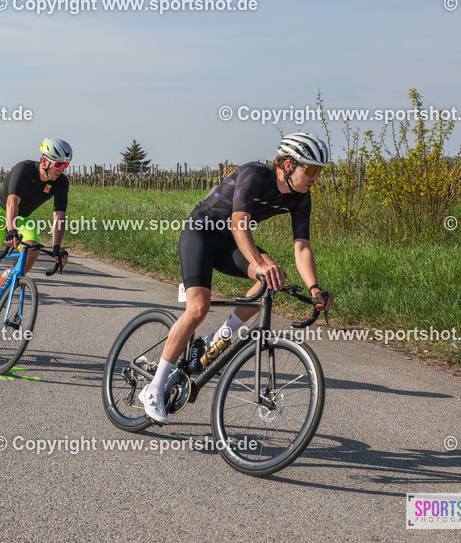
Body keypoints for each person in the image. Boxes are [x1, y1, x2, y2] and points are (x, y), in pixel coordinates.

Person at [138, 133, 336, 424]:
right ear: (289, 164)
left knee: (271, 276)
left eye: (319, 171)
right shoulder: (254, 172)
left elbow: (302, 246)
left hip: (231, 245)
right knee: (198, 308)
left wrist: (315, 288)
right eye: (312, 170)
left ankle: (218, 338)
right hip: (202, 234)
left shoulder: (301, 197)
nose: (315, 178)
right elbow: (238, 222)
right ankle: (153, 388)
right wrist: (258, 262)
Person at [0, 138, 72, 341]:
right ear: (45, 160)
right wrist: (11, 230)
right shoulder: (24, 169)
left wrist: (57, 247)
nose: (62, 169)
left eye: (66, 165)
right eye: (59, 164)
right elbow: (11, 202)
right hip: (0, 213)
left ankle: (6, 278)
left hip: (24, 218)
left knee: (33, 248)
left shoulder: (61, 182)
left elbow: (59, 215)